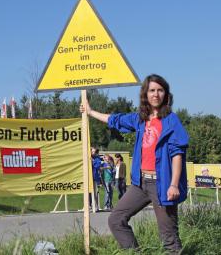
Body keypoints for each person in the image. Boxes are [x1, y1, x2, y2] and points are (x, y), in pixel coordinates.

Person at [80, 74, 189, 253]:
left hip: (162, 185)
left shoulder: (171, 120)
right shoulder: (140, 119)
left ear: (166, 95)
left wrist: (174, 184)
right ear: (145, 94)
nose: (156, 94)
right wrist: (90, 112)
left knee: (169, 237)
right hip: (140, 183)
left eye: (160, 90)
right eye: (152, 90)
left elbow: (177, 153)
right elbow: (115, 120)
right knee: (116, 220)